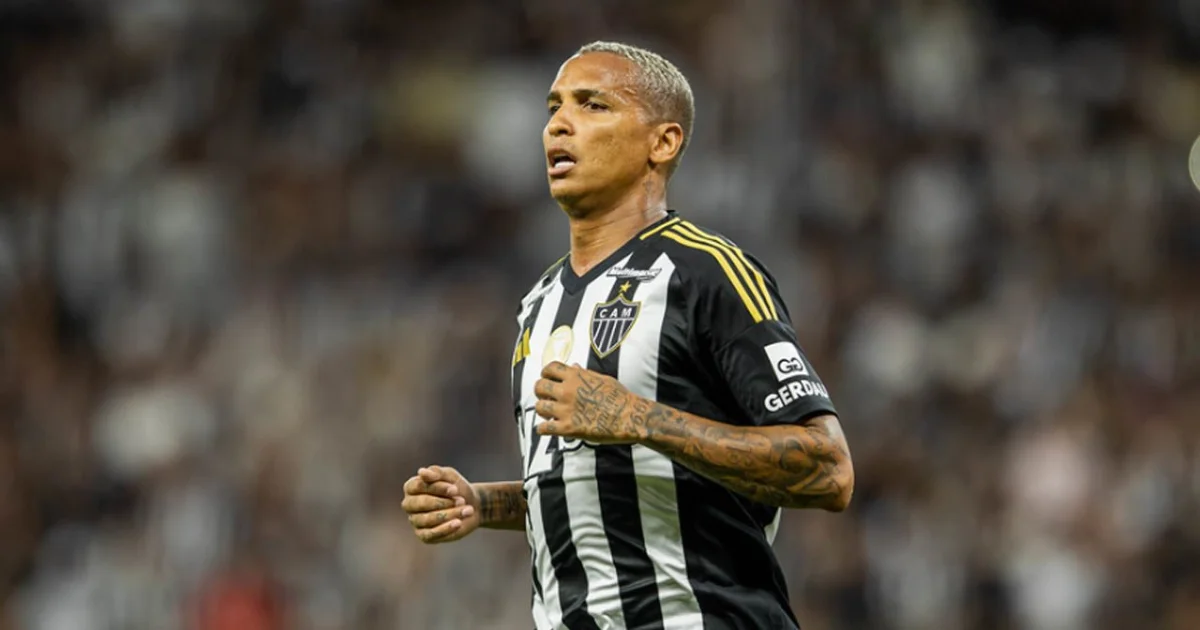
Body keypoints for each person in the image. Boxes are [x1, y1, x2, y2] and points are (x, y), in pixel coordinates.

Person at [402, 41, 854, 630]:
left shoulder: (705, 272)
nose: (558, 124)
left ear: (661, 143)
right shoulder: (539, 303)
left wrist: (639, 418)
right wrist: (484, 503)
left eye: (593, 105)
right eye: (554, 107)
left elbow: (828, 469)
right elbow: (601, 482)